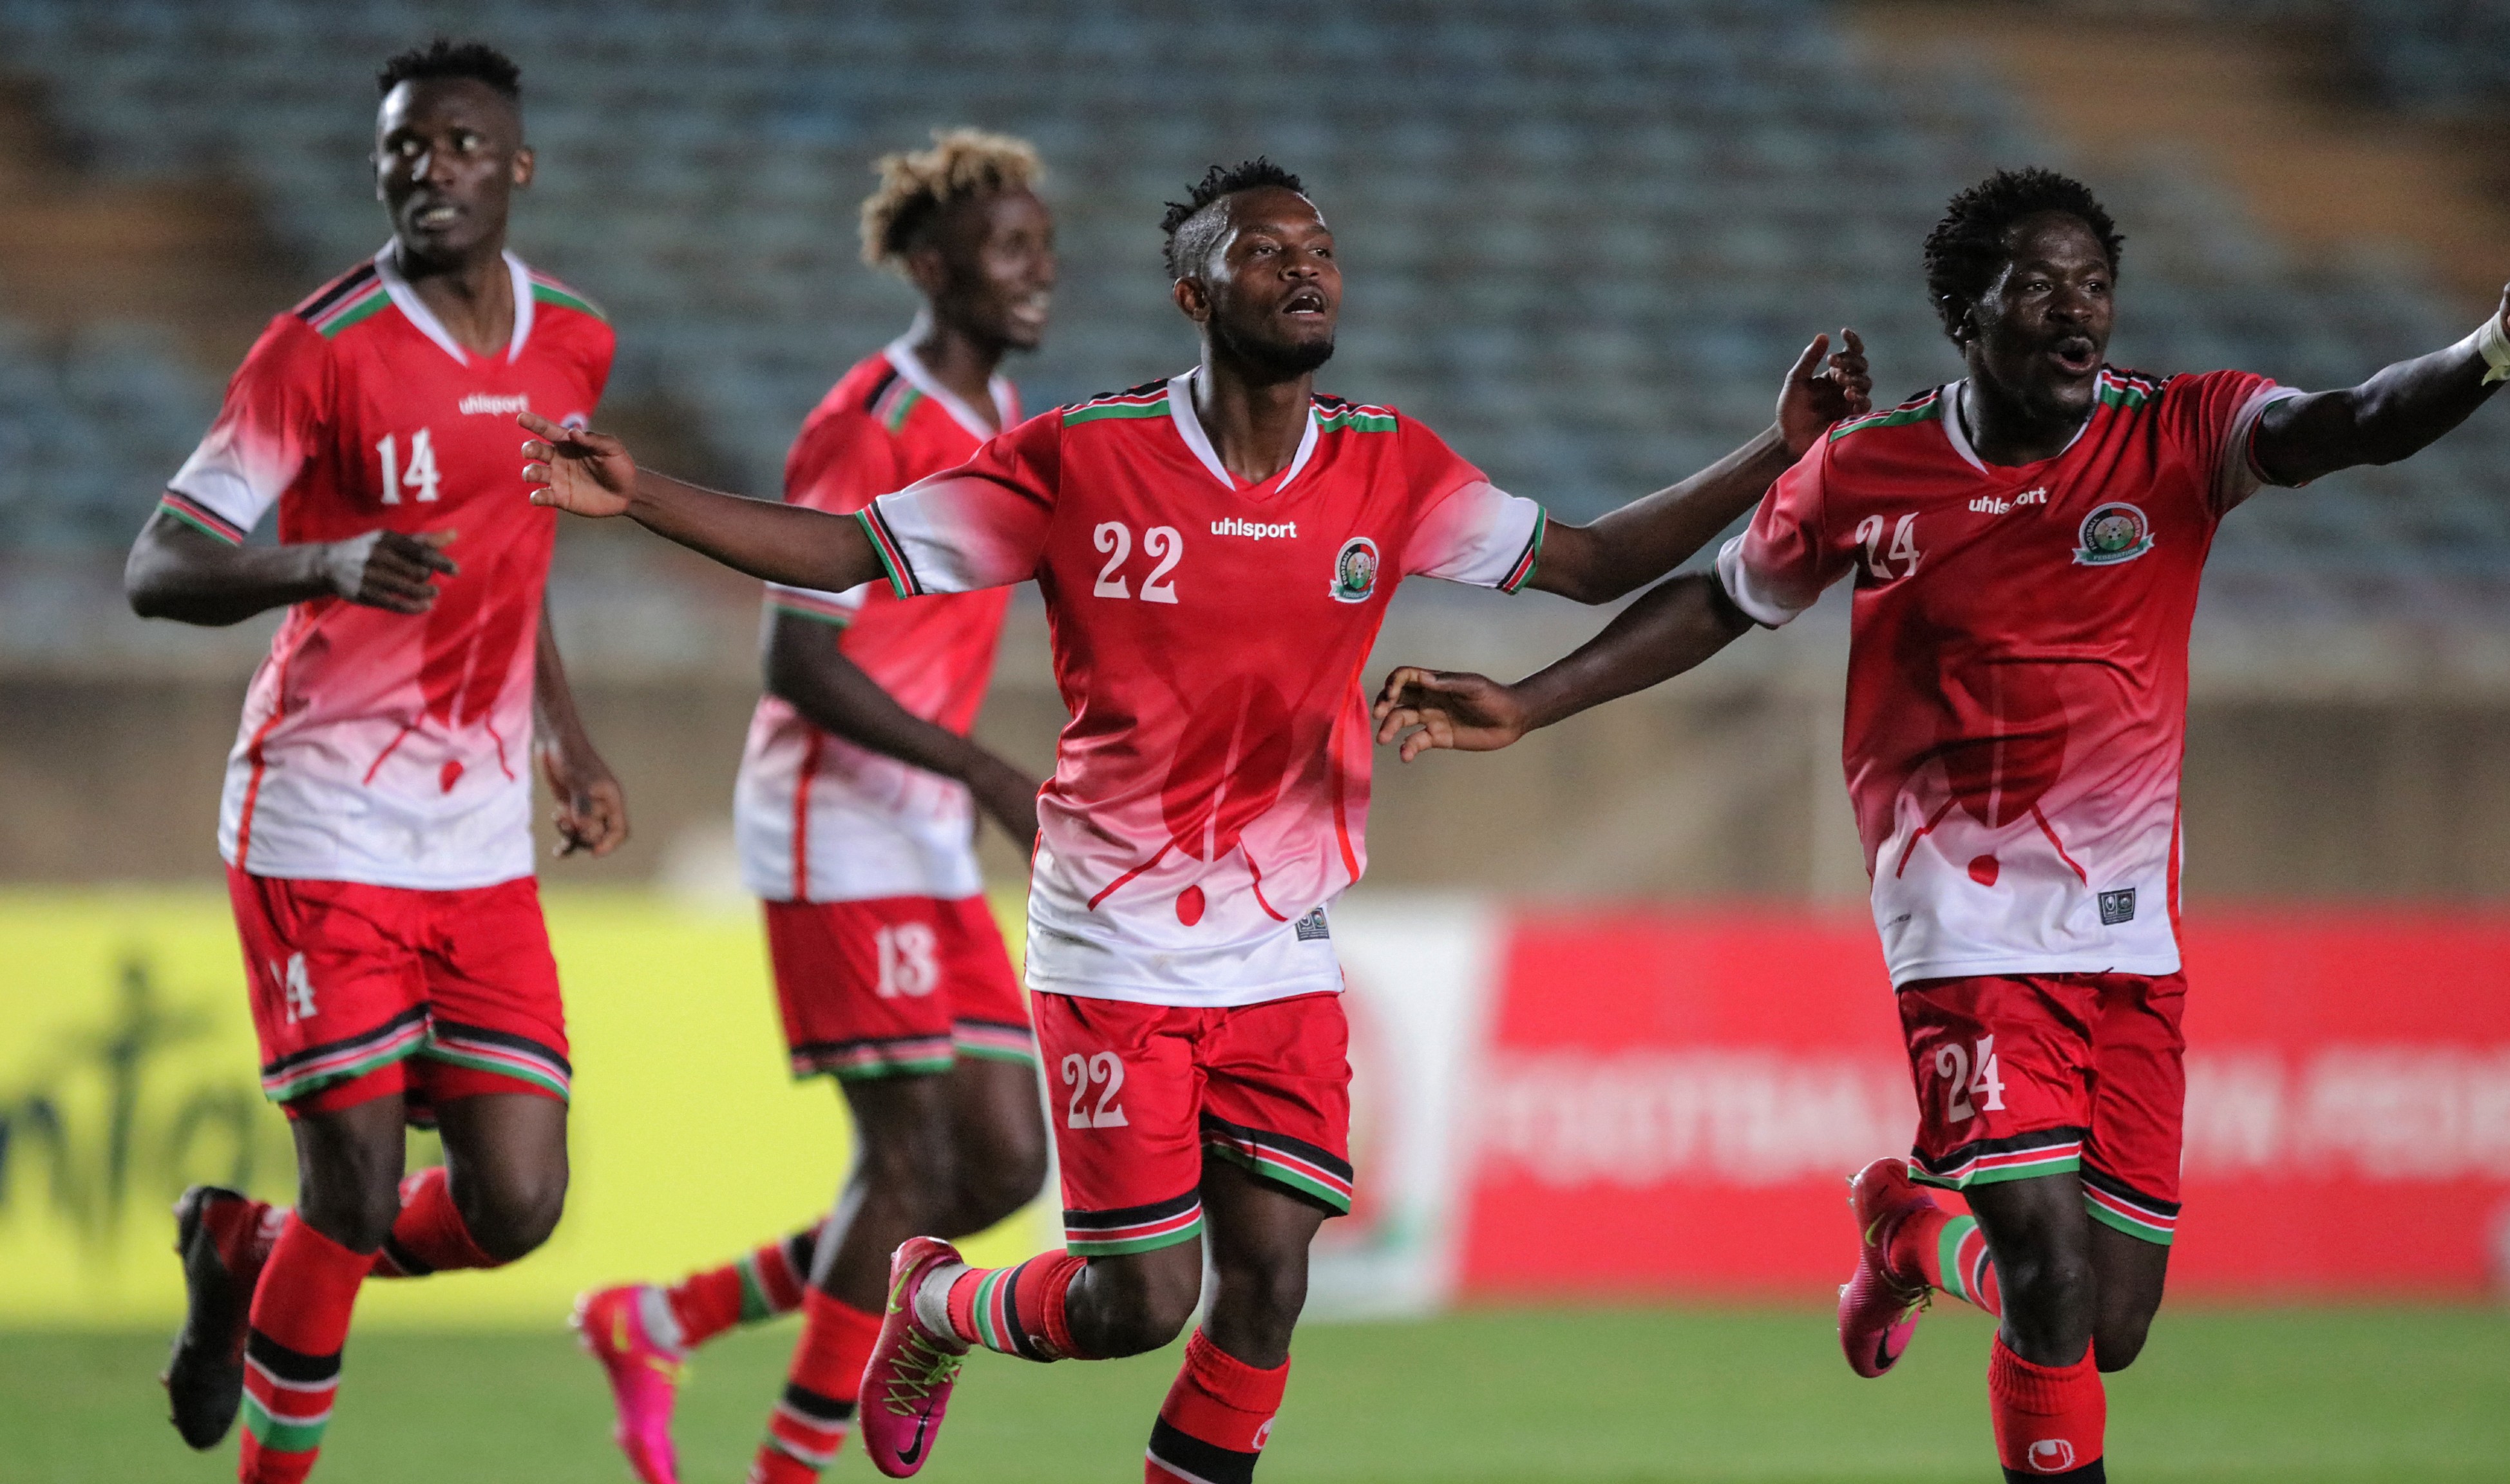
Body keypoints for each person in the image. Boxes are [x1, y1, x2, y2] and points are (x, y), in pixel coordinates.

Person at [518, 158, 1868, 1480]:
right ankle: (933, 1304)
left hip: (1279, 933)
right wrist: (644, 502)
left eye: (1320, 249)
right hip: (1112, 936)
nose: (1304, 269)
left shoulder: (1386, 464)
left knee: (1270, 1283)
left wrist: (1774, 449)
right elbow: (853, 549)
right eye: (1266, 251)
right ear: (1192, 295)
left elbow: (1590, 563)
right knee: (1137, 1304)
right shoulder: (1082, 456)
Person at [1369, 167, 2510, 1482]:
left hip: (2127, 942)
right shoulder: (1865, 467)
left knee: (2105, 1324)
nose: (2077, 310)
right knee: (2047, 1279)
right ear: (1967, 312)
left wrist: (2491, 352)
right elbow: (1721, 602)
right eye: (2039, 286)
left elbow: (2350, 421)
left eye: (2094, 285)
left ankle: (1901, 1230)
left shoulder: (2177, 431)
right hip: (1958, 922)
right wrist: (1529, 704)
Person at [124, 38, 627, 1484]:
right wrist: (323, 559)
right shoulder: (318, 347)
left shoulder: (572, 346)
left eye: (461, 145)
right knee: (349, 1194)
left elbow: (520, 562)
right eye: (405, 147)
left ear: (515, 168)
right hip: (318, 826)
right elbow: (160, 567)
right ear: (380, 167)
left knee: (518, 1201)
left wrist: (567, 741)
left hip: (475, 849)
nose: (431, 169)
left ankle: (239, 1252)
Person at [570, 128, 1056, 1484]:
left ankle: (661, 1320)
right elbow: (798, 655)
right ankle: (790, 1467)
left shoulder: (1005, 423)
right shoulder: (873, 420)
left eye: (1044, 247)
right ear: (927, 261)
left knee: (1003, 1160)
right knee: (904, 1161)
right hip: (834, 822)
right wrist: (988, 772)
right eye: (1008, 247)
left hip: (921, 830)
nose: (1038, 272)